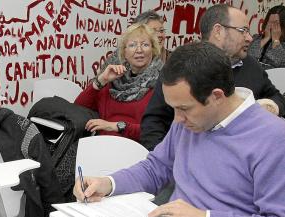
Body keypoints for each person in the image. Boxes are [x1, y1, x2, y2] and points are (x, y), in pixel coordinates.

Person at [74, 41, 285, 217]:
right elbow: (156, 168)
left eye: (184, 109)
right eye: (173, 108)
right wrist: (108, 183)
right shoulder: (189, 121)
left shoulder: (273, 137)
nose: (177, 119)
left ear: (216, 96)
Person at [140, 4, 285, 151]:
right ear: (218, 31)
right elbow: (154, 120)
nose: (249, 38)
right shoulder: (181, 65)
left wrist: (269, 106)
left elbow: (277, 97)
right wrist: (168, 163)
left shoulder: (251, 66)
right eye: (244, 31)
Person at [74, 23, 163, 141]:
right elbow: (78, 108)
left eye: (145, 44)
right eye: (132, 45)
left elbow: (157, 131)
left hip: (138, 148)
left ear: (153, 49)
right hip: (102, 146)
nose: (139, 50)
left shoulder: (162, 83)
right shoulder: (114, 79)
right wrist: (101, 80)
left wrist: (117, 126)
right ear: (124, 52)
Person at [101, 10, 170, 70]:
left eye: (161, 30)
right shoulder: (118, 58)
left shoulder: (173, 59)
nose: (160, 35)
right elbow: (96, 82)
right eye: (153, 31)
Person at [248, 5, 285, 69]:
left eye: (276, 24)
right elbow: (248, 59)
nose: (271, 26)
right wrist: (265, 38)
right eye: (269, 22)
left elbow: (278, 65)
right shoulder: (256, 38)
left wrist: (275, 40)